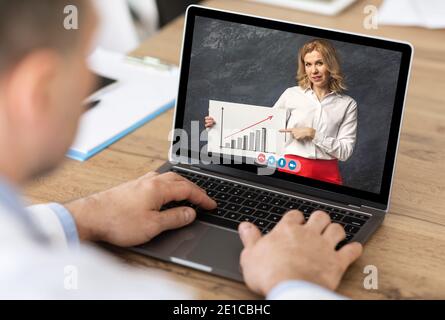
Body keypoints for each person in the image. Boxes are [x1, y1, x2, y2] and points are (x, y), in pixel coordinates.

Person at [0, 0, 362, 299]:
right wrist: (296, 284)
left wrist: (77, 217)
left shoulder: (346, 104)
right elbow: (267, 129)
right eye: (87, 57)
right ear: (40, 89)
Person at [205, 39, 357, 185]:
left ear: (330, 65)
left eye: (319, 63)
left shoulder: (347, 104)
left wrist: (313, 134)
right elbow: (262, 127)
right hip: (291, 168)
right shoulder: (291, 94)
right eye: (308, 64)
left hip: (328, 174)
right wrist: (219, 125)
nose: (314, 70)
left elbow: (345, 152)